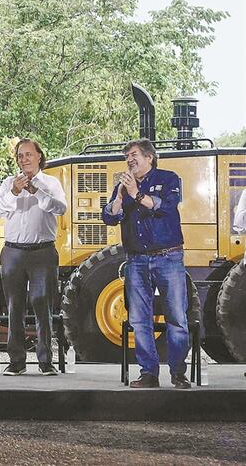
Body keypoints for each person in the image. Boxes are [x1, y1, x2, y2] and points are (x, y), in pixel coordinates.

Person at [102, 138, 190, 389]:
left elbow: (165, 207)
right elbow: (109, 217)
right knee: (140, 319)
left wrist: (136, 194)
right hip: (136, 260)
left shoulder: (169, 178)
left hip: (168, 257)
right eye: (126, 156)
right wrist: (120, 195)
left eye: (133, 154)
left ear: (149, 157)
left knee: (176, 317)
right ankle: (148, 373)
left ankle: (178, 373)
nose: (129, 160)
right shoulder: (123, 186)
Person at [0, 138, 67, 376]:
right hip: (13, 252)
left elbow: (60, 208)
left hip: (42, 252)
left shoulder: (51, 183)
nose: (24, 159)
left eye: (28, 154)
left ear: (39, 156)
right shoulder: (8, 183)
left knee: (42, 305)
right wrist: (15, 191)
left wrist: (36, 191)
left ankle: (46, 361)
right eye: (20, 156)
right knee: (14, 307)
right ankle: (16, 361)